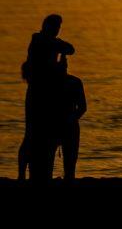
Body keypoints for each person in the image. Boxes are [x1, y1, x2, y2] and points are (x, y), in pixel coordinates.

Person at [23, 14, 75, 182]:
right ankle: (22, 174)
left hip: (43, 93)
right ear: (48, 26)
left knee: (41, 135)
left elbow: (69, 48)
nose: (57, 30)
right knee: (32, 135)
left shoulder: (48, 41)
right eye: (56, 27)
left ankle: (38, 173)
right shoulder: (40, 40)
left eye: (59, 27)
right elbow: (68, 48)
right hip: (37, 94)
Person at [54, 53, 87, 181]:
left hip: (58, 125)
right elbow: (83, 108)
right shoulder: (75, 82)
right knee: (70, 166)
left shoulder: (49, 83)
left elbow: (83, 107)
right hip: (68, 125)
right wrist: (72, 119)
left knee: (67, 165)